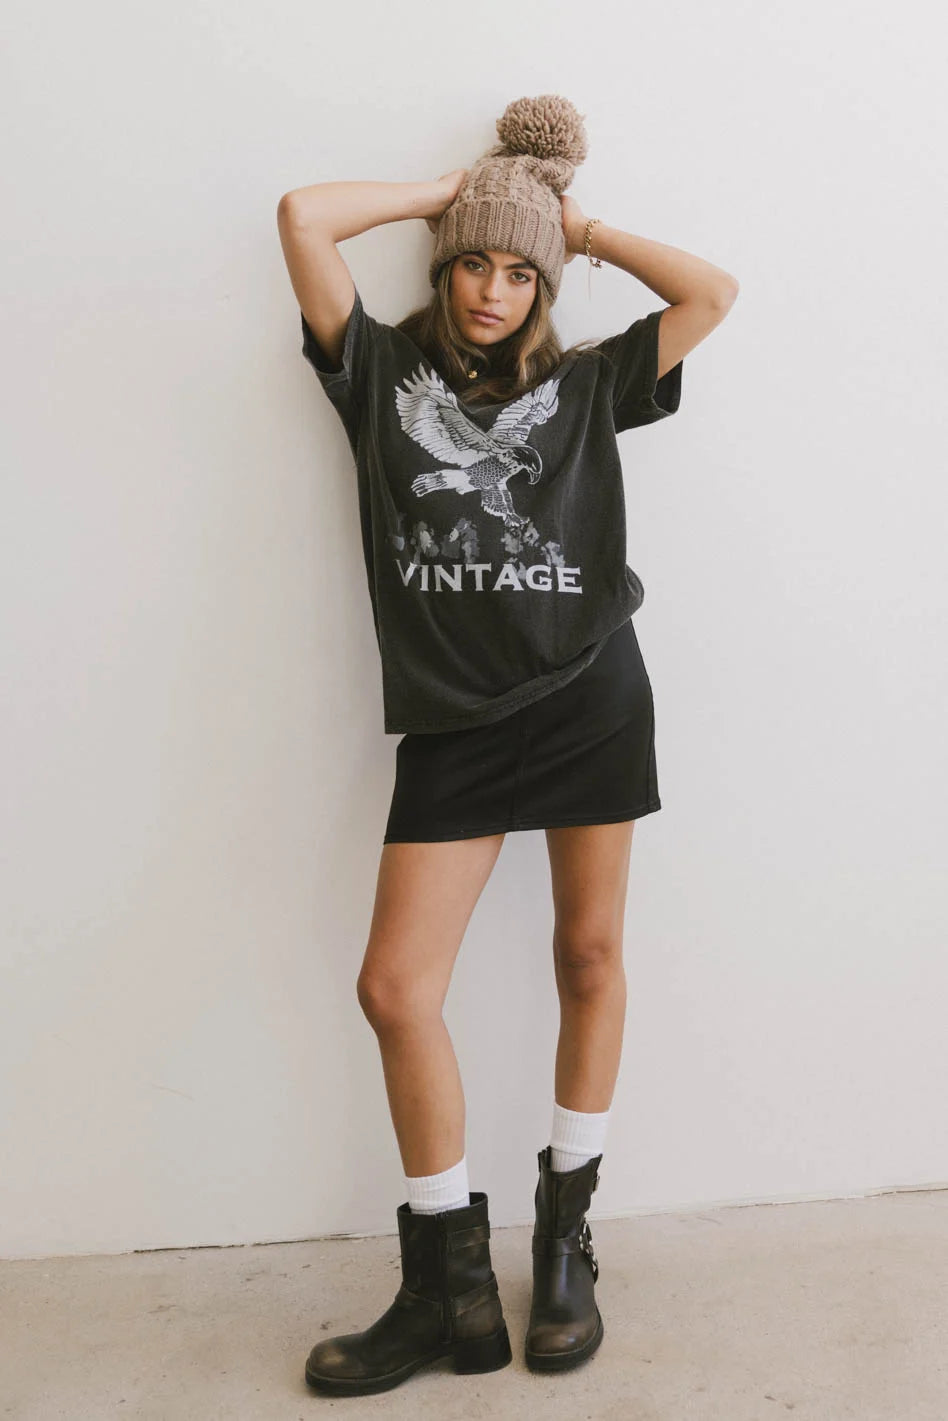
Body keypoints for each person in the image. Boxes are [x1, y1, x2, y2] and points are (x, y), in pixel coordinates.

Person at [277, 94, 738, 1397]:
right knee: (394, 987)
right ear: (444, 268)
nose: (493, 288)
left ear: (545, 284)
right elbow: (302, 218)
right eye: (475, 262)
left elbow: (711, 292)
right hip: (457, 722)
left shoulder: (588, 386)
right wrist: (454, 197)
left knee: (588, 955)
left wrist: (571, 226)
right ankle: (450, 1288)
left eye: (519, 270)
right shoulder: (378, 375)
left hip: (593, 694)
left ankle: (567, 1240)